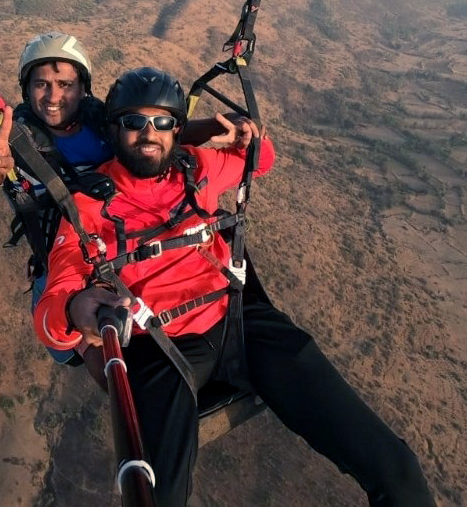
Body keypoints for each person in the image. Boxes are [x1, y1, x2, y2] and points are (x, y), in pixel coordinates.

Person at [34, 67, 436, 507]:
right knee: (155, 498)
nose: (149, 133)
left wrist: (248, 137)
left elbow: (261, 161)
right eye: (134, 121)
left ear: (177, 130)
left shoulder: (197, 167)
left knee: (396, 469)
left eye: (163, 122)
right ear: (114, 128)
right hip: (162, 348)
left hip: (241, 323)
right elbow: (56, 308)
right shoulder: (87, 207)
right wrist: (77, 309)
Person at [0, 33, 254, 364]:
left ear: (83, 88)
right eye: (41, 84)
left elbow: (154, 136)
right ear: (26, 88)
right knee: (82, 346)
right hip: (65, 252)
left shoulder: (101, 121)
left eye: (65, 84)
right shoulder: (16, 141)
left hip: (112, 240)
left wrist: (225, 127)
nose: (53, 95)